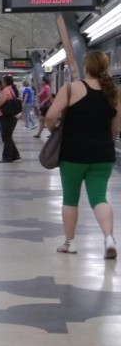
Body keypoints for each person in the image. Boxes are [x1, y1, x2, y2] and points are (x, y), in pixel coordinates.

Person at [44, 50, 121, 257]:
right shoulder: (113, 92)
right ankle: (109, 238)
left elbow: (50, 116)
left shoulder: (71, 88)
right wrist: (105, 143)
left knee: (70, 199)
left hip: (73, 154)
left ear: (85, 67)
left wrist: (54, 131)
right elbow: (116, 127)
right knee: (99, 197)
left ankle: (70, 243)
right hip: (103, 154)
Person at [0, 73, 21, 162]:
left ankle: (7, 157)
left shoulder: (6, 90)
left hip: (7, 116)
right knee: (7, 136)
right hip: (11, 116)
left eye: (3, 81)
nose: (2, 83)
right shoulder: (12, 89)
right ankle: (15, 155)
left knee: (6, 137)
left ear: (5, 82)